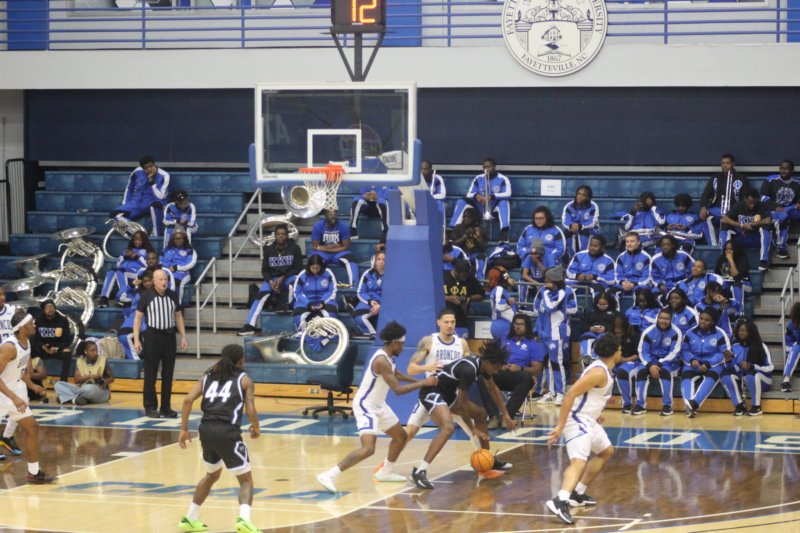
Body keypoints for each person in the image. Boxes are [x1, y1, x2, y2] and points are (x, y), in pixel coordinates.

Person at [316, 322, 437, 493]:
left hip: (379, 405)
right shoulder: (382, 361)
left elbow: (398, 374)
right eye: (401, 344)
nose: (403, 348)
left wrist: (422, 382)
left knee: (401, 436)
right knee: (368, 449)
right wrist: (424, 383)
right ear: (394, 343)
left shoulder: (389, 358)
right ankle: (329, 475)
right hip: (366, 405)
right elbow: (398, 390)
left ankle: (385, 472)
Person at [177, 345, 261, 533]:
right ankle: (244, 520)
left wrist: (183, 429)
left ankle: (190, 518)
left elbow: (187, 400)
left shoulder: (207, 377)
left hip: (206, 430)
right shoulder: (245, 380)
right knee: (246, 480)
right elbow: (250, 409)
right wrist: (256, 426)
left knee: (211, 475)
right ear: (241, 360)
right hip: (227, 432)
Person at [410, 339, 514, 490]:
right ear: (488, 362)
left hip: (447, 394)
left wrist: (506, 415)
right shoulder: (469, 370)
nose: (496, 371)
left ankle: (489, 459)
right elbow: (461, 405)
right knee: (448, 428)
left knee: (480, 414)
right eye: (496, 368)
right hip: (432, 392)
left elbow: (493, 389)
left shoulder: (482, 366)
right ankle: (420, 471)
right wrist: (473, 429)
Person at [545, 334, 622, 525]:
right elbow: (570, 394)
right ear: (614, 352)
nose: (621, 351)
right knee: (578, 462)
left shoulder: (605, 370)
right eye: (620, 349)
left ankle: (577, 493)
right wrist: (560, 426)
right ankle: (560, 500)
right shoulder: (598, 373)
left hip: (588, 419)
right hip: (576, 419)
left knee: (606, 452)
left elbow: (591, 396)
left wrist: (597, 413)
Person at [0, 311, 55, 483]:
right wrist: (14, 398)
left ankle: (33, 472)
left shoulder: (27, 342)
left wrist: (32, 386)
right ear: (22, 328)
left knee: (32, 428)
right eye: (31, 323)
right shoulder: (9, 347)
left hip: (9, 392)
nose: (35, 325)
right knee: (32, 427)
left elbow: (21, 370)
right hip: (4, 393)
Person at [133, 269, 188, 419]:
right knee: (150, 373)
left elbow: (178, 316)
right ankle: (150, 407)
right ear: (154, 281)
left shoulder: (173, 295)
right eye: (161, 279)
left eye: (165, 279)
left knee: (168, 374)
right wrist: (137, 339)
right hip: (152, 336)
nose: (164, 282)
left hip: (169, 336)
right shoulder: (146, 296)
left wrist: (183, 336)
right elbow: (138, 318)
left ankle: (165, 407)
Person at [237, 224, 303, 336]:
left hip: (289, 277)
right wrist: (270, 281)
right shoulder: (269, 249)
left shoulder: (295, 248)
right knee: (260, 296)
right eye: (278, 234)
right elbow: (264, 270)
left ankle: (287, 306)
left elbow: (298, 268)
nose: (280, 236)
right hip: (272, 279)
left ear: (287, 235)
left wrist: (283, 277)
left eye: (283, 234)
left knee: (293, 285)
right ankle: (249, 325)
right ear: (275, 236)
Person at [480, 313, 542, 428]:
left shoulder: (533, 345)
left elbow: (536, 370)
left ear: (527, 326)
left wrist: (520, 368)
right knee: (482, 376)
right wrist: (500, 366)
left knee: (527, 379)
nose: (518, 327)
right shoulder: (503, 339)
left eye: (521, 324)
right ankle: (494, 416)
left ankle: (507, 417)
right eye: (516, 324)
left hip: (519, 376)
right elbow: (490, 359)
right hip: (500, 372)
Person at [533, 267, 578, 405]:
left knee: (557, 363)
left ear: (554, 281)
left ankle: (561, 393)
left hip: (556, 332)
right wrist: (537, 330)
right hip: (544, 332)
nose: (545, 282)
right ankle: (551, 393)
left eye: (547, 279)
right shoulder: (542, 290)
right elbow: (536, 308)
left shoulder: (564, 292)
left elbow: (551, 307)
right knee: (547, 363)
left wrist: (559, 309)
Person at [680, 308, 730, 418]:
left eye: (707, 320)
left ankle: (694, 404)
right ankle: (689, 405)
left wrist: (708, 364)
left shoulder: (720, 334)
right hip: (693, 363)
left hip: (713, 364)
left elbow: (724, 353)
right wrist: (691, 360)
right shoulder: (690, 333)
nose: (702, 321)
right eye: (701, 318)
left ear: (712, 322)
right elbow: (684, 350)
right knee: (686, 377)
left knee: (711, 377)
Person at [448, 158, 512, 243]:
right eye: (484, 167)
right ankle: (452, 229)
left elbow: (508, 193)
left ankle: (504, 233)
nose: (486, 169)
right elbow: (469, 194)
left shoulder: (503, 178)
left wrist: (492, 196)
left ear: (494, 167)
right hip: (479, 207)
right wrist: (476, 196)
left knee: (504, 202)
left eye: (489, 167)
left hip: (493, 207)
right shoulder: (478, 178)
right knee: (461, 201)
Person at [633, 308, 682, 416]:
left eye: (666, 319)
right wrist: (650, 365)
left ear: (671, 320)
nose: (663, 321)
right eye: (661, 318)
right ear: (657, 318)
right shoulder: (648, 331)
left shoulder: (676, 332)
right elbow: (642, 351)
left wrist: (659, 364)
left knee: (665, 372)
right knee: (641, 372)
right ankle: (640, 405)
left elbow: (674, 352)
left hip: (669, 363)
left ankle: (667, 405)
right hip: (650, 361)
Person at [721, 320, 773, 417]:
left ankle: (756, 407)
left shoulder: (762, 346)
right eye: (740, 330)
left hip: (763, 380)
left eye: (745, 330)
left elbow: (770, 368)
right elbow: (736, 370)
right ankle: (739, 406)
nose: (742, 333)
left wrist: (752, 366)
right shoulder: (734, 347)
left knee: (751, 374)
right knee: (725, 376)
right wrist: (728, 360)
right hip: (743, 380)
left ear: (751, 332)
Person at [110, 155, 170, 237]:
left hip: (154, 203)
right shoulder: (137, 172)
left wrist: (152, 182)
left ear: (154, 164)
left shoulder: (164, 175)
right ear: (142, 168)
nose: (149, 169)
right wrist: (126, 204)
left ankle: (156, 235)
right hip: (137, 203)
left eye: (151, 166)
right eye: (146, 168)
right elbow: (129, 188)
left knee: (156, 205)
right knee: (115, 214)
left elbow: (161, 197)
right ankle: (137, 233)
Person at [699, 153, 750, 246]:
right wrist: (703, 207)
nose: (725, 165)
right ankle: (714, 247)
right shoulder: (715, 178)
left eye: (727, 163)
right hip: (717, 210)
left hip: (734, 211)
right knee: (707, 218)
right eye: (723, 163)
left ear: (733, 164)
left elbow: (745, 200)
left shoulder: (742, 179)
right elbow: (705, 194)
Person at [720, 188, 773, 271]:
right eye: (750, 203)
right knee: (725, 227)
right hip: (741, 237)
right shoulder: (738, 206)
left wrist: (753, 224)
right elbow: (724, 219)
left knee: (766, 228)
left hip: (757, 238)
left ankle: (763, 261)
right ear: (745, 199)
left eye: (754, 203)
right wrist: (741, 225)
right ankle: (725, 261)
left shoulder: (762, 206)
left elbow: (768, 220)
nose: (752, 205)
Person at [98, 229, 153, 307]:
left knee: (119, 271)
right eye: (135, 240)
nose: (137, 242)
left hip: (137, 274)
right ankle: (104, 298)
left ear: (144, 241)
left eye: (139, 240)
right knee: (112, 271)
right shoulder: (127, 250)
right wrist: (124, 257)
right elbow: (118, 264)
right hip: (124, 271)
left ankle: (125, 294)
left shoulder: (147, 252)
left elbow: (148, 266)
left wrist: (137, 257)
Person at [54, 338, 114, 405]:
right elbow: (77, 380)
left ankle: (67, 398)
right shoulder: (80, 361)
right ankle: (76, 400)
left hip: (99, 391)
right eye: (92, 350)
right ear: (86, 351)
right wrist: (90, 376)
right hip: (82, 389)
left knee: (89, 388)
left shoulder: (103, 360)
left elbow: (111, 378)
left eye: (96, 350)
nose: (95, 353)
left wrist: (102, 381)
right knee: (58, 384)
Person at [761, 160, 800, 259]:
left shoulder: (797, 183)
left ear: (792, 170)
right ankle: (781, 248)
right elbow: (763, 197)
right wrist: (775, 207)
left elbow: (799, 204)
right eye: (782, 168)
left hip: (790, 210)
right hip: (773, 210)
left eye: (786, 169)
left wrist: (790, 208)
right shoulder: (771, 180)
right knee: (783, 217)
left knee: (786, 215)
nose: (783, 171)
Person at [309, 209, 358, 287]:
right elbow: (316, 246)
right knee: (314, 260)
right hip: (323, 253)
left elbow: (346, 246)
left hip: (339, 253)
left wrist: (324, 248)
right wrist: (335, 245)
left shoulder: (343, 226)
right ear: (325, 216)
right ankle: (313, 286)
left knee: (351, 259)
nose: (333, 217)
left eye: (335, 214)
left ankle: (354, 286)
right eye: (330, 214)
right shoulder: (318, 226)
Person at [292, 255, 339, 332]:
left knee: (331, 313)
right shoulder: (302, 275)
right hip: (307, 301)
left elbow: (332, 290)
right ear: (309, 266)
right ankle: (302, 333)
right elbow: (297, 293)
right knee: (298, 314)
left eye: (317, 268)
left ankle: (328, 333)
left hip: (325, 301)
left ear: (321, 266)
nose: (315, 270)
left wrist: (323, 302)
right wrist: (308, 304)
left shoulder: (328, 273)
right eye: (313, 268)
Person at [31, 299, 73, 383]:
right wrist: (43, 346)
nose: (50, 309)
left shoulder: (63, 320)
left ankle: (63, 381)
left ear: (55, 308)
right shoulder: (38, 320)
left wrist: (57, 348)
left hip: (58, 349)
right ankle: (35, 380)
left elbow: (66, 339)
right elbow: (36, 338)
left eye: (52, 306)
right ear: (43, 310)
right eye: (47, 307)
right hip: (43, 349)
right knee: (31, 350)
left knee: (67, 352)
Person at [566, 234, 616, 301]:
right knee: (563, 285)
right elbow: (569, 271)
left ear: (602, 247)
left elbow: (612, 279)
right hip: (579, 281)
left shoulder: (608, 260)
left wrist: (595, 277)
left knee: (601, 289)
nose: (592, 248)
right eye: (591, 245)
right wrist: (577, 275)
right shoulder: (579, 255)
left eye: (595, 246)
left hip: (597, 283)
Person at [443, 259, 484, 338]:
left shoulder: (470, 278)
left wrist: (469, 298)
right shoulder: (444, 276)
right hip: (443, 318)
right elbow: (431, 295)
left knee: (461, 343)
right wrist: (448, 298)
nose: (465, 278)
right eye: (462, 276)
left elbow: (481, 295)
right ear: (456, 271)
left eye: (466, 275)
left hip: (461, 319)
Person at [578, 291, 620, 367]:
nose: (602, 306)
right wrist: (590, 328)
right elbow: (581, 327)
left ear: (609, 303)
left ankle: (594, 358)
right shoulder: (590, 312)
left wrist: (606, 329)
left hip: (606, 334)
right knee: (586, 338)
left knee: (602, 339)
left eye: (604, 304)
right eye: (600, 304)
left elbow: (619, 328)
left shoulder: (615, 313)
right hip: (591, 333)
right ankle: (586, 356)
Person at [118, 271, 153, 360]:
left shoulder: (158, 291)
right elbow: (119, 296)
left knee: (148, 337)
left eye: (149, 280)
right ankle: (134, 361)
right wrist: (131, 285)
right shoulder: (136, 292)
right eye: (145, 281)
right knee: (123, 335)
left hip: (150, 317)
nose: (147, 283)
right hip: (134, 316)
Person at [612, 316, 641, 414]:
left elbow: (638, 354)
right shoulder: (611, 336)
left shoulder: (635, 336)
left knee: (622, 372)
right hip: (616, 361)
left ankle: (627, 404)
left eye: (620, 332)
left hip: (631, 361)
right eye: (616, 333)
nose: (618, 335)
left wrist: (625, 360)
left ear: (625, 328)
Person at [353, 250, 385, 338]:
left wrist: (380, 305)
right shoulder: (368, 274)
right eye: (379, 259)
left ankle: (375, 336)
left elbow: (393, 296)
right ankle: (373, 334)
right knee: (358, 317)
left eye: (384, 260)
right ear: (374, 261)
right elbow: (360, 292)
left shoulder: (392, 276)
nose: (381, 262)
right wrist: (370, 301)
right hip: (369, 301)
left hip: (384, 304)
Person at [450, 208, 488, 279]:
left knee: (482, 256)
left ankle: (480, 280)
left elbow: (483, 248)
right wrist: (465, 236)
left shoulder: (479, 229)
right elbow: (453, 244)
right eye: (465, 217)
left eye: (469, 217)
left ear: (474, 218)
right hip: (461, 255)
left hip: (473, 255)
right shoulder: (458, 228)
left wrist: (478, 237)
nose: (466, 219)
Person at [161, 230, 198, 304]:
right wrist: (165, 269)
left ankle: (177, 304)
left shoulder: (190, 250)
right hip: (166, 271)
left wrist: (176, 268)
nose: (178, 240)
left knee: (176, 281)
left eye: (181, 238)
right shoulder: (166, 250)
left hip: (183, 273)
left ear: (185, 239)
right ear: (173, 239)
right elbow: (160, 261)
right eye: (176, 239)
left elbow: (191, 263)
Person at [562, 185, 600, 254]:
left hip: (591, 230)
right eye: (578, 194)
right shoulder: (569, 206)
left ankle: (584, 255)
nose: (580, 196)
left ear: (588, 197)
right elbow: (565, 221)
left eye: (583, 195)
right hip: (574, 229)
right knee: (567, 232)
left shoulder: (593, 206)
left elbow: (592, 222)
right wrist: (571, 226)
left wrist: (580, 226)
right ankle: (572, 256)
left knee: (584, 232)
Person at [714, 239, 751, 311]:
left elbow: (736, 276)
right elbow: (716, 276)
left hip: (744, 286)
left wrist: (731, 260)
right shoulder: (721, 259)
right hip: (728, 286)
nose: (728, 251)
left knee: (736, 285)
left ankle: (739, 313)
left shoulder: (742, 259)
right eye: (726, 249)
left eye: (731, 249)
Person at [614, 232, 652, 298]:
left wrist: (633, 284)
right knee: (610, 293)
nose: (629, 244)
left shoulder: (646, 257)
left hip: (639, 285)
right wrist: (622, 283)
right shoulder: (621, 257)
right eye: (627, 241)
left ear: (638, 242)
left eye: (632, 241)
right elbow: (617, 275)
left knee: (641, 294)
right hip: (624, 284)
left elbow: (647, 277)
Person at [487, 266, 517, 340]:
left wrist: (508, 278)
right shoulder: (499, 289)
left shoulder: (497, 289)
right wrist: (508, 302)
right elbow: (499, 306)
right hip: (503, 325)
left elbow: (503, 272)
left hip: (501, 324)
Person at [781, 302, 800, 392]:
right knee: (796, 347)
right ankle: (786, 380)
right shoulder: (790, 325)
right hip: (795, 354)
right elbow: (788, 345)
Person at [519, 238, 546, 303]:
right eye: (532, 253)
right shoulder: (529, 257)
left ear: (541, 253)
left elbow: (548, 275)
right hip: (532, 282)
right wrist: (536, 284)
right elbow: (524, 275)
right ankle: (522, 306)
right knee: (522, 282)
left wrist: (538, 263)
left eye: (536, 254)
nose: (533, 256)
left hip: (544, 282)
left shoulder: (547, 258)